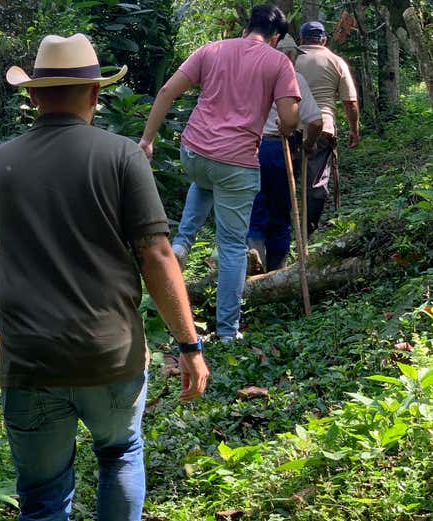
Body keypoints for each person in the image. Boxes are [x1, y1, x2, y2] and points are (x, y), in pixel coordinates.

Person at [0, 34, 209, 521]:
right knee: (120, 453)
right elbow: (157, 254)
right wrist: (189, 344)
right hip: (110, 354)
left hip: (31, 360)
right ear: (96, 94)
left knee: (42, 496)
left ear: (33, 95)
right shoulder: (122, 156)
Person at [139, 4, 300, 342]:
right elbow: (289, 118)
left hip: (193, 152)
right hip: (235, 162)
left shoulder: (211, 50)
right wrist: (287, 126)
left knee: (206, 179)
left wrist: (147, 139)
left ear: (246, 27)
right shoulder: (278, 62)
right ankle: (227, 332)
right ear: (275, 37)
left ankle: (181, 243)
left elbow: (167, 92)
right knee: (231, 246)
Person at [247, 34, 324, 272]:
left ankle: (253, 256)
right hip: (278, 148)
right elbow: (316, 121)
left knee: (254, 207)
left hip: (247, 147)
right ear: (290, 55)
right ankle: (276, 271)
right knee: (280, 213)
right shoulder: (294, 78)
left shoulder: (251, 76)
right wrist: (309, 144)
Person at [295, 20, 360, 236]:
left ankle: (282, 233)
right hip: (323, 128)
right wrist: (354, 129)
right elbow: (350, 102)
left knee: (284, 180)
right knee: (315, 183)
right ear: (323, 40)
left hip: (289, 127)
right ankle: (306, 233)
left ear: (301, 39)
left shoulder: (290, 60)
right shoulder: (336, 61)